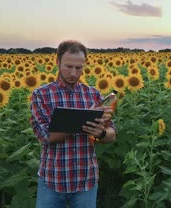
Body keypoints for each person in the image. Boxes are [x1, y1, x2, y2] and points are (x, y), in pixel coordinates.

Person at [29, 40, 117, 208]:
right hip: (53, 180)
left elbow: (112, 133)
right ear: (57, 62)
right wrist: (85, 120)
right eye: (68, 67)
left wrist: (101, 133)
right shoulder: (41, 95)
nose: (73, 73)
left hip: (86, 180)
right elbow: (46, 136)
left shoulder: (93, 94)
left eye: (79, 68)